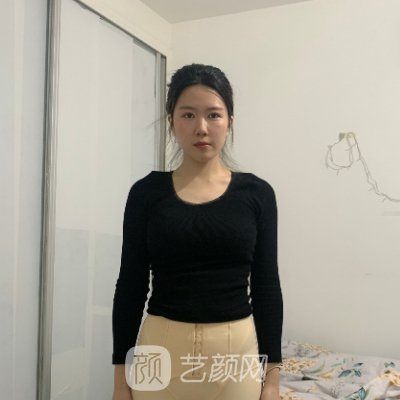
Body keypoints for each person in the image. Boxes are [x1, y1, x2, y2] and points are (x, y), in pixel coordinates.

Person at [112, 63, 283, 400]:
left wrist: (273, 381)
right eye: (188, 115)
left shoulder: (257, 194)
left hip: (235, 356)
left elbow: (266, 287)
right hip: (160, 352)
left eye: (213, 115)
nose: (201, 128)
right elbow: (130, 286)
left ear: (229, 122)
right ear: (171, 121)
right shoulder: (146, 193)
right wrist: (120, 382)